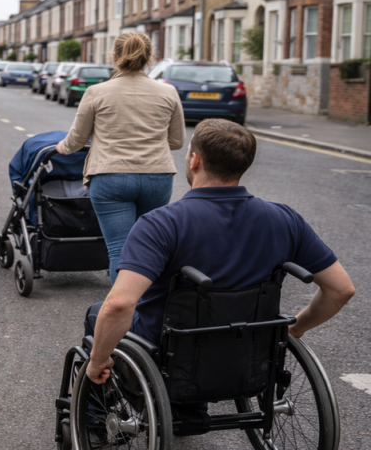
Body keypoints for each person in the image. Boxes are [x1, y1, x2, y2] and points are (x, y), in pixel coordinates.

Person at [83, 119, 355, 386]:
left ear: (195, 161)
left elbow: (119, 305)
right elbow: (340, 289)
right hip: (249, 348)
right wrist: (296, 328)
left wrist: (98, 361)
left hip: (166, 352)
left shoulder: (161, 224)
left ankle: (96, 416)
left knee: (98, 313)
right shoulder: (285, 219)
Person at [56, 32, 185, 283]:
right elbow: (177, 141)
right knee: (149, 246)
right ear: (150, 58)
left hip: (110, 177)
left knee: (120, 249)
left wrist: (63, 146)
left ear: (114, 56)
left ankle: (123, 317)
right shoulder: (168, 93)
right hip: (157, 177)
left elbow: (77, 141)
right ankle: (148, 310)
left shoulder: (96, 92)